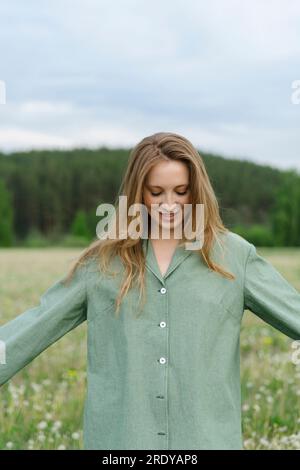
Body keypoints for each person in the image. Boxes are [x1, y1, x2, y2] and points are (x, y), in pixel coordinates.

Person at [1, 131, 300, 450]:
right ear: (136, 193)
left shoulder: (235, 257)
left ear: (196, 191)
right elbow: (33, 328)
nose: (169, 205)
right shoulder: (102, 263)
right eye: (156, 192)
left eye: (181, 192)